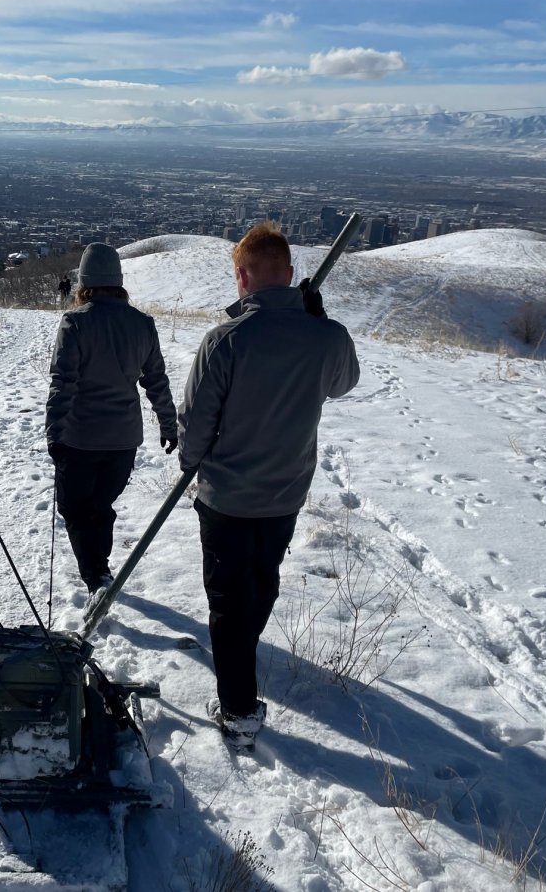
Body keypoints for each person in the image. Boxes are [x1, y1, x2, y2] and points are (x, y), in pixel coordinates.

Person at [177, 221, 359, 748]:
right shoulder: (327, 338)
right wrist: (320, 324)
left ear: (243, 276)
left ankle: (237, 712)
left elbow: (195, 422)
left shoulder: (226, 341)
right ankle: (242, 669)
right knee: (261, 584)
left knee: (229, 603)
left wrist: (192, 466)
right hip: (285, 495)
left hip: (227, 497)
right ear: (291, 274)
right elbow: (344, 383)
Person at [45, 242, 177, 595]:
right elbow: (156, 380)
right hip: (124, 439)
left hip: (79, 438)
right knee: (100, 506)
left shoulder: (75, 322)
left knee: (74, 509)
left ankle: (96, 578)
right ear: (119, 282)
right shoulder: (142, 324)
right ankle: (99, 573)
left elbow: (63, 382)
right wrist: (168, 424)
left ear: (84, 284)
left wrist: (54, 433)